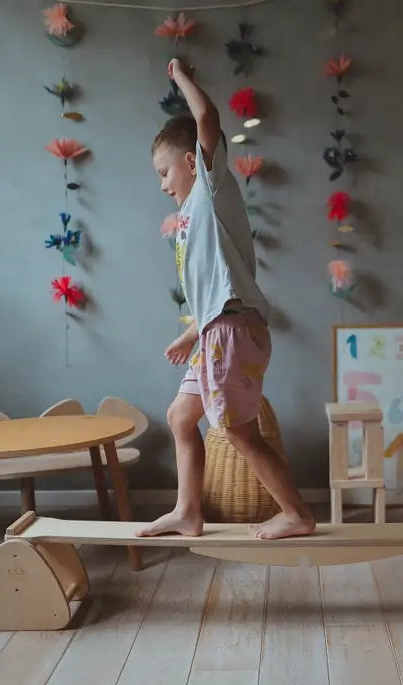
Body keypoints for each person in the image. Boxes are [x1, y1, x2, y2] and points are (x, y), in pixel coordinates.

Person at [136, 58, 316, 541]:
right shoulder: (192, 223)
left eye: (163, 171)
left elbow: (208, 120)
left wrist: (180, 79)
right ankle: (188, 511)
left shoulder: (210, 192)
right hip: (216, 331)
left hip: (231, 335)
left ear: (192, 161)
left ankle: (296, 512)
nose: (162, 184)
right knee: (181, 416)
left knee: (238, 433)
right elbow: (222, 291)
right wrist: (191, 333)